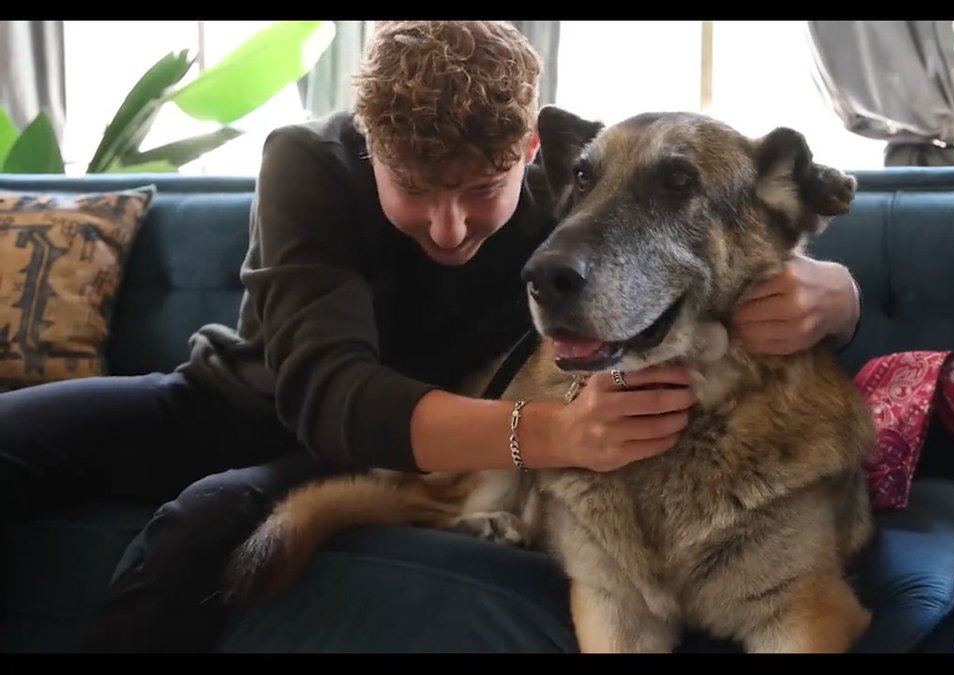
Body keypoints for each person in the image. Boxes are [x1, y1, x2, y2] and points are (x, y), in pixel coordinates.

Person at [0, 20, 863, 653]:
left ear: (530, 152)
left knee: (205, 519)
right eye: (414, 189)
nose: (450, 227)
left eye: (482, 190)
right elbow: (329, 390)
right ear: (368, 147)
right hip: (246, 399)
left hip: (398, 443)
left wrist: (835, 291)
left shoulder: (574, 192)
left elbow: (716, 235)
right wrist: (551, 434)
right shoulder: (304, 160)